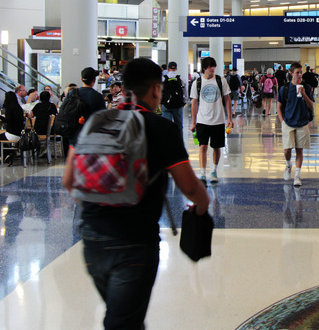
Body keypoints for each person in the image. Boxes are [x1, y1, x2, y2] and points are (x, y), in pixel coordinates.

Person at [62, 58, 209, 330]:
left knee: (123, 315)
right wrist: (203, 204)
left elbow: (69, 180)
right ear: (155, 90)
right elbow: (189, 187)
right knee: (123, 321)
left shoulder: (96, 121)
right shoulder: (161, 127)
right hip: (135, 242)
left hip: (92, 237)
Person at [190, 57, 234, 184]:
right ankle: (203, 173)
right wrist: (193, 122)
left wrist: (229, 117)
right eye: (210, 67)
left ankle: (213, 171)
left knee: (216, 147)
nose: (212, 69)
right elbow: (194, 103)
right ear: (204, 68)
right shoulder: (197, 83)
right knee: (202, 146)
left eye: (213, 66)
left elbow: (227, 99)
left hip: (218, 120)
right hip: (202, 120)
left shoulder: (221, 80)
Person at [278, 63, 314, 187]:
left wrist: (304, 93)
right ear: (291, 73)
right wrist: (282, 121)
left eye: (301, 72)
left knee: (299, 149)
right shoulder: (285, 88)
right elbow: (279, 106)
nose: (299, 75)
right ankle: (288, 165)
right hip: (288, 122)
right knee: (287, 149)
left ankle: (297, 176)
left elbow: (311, 105)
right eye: (297, 72)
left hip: (302, 122)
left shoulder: (307, 87)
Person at [64, 67, 106, 144]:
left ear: (81, 79)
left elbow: (64, 111)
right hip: (91, 137)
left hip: (74, 135)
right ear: (94, 80)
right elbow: (102, 119)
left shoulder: (71, 93)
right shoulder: (98, 96)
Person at [0, 91, 25, 162]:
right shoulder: (19, 108)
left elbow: (8, 120)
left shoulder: (10, 108)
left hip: (11, 134)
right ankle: (9, 153)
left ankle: (6, 155)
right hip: (19, 133)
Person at [161, 61, 187, 127]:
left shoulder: (163, 78)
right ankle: (179, 137)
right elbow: (185, 91)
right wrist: (184, 101)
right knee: (179, 126)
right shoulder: (181, 78)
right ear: (176, 69)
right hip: (178, 104)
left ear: (168, 68)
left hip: (166, 104)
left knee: (167, 126)